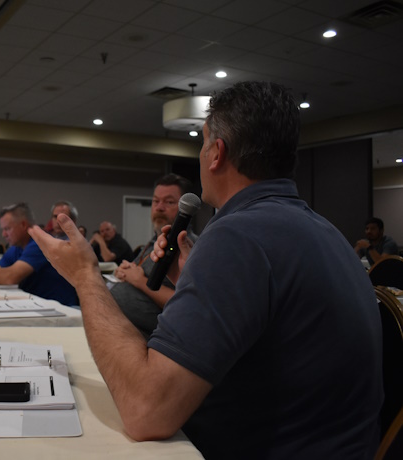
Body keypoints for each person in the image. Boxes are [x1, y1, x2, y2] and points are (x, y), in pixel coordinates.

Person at [28, 81, 382, 459]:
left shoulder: (238, 236)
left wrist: (85, 276)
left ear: (216, 153)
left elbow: (145, 411)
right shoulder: (324, 231)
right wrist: (192, 281)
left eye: (202, 143)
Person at [110, 173, 195, 338]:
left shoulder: (189, 248)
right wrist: (124, 273)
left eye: (169, 202)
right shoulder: (153, 243)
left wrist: (139, 281)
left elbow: (191, 304)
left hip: (146, 341)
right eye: (156, 201)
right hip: (119, 329)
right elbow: (134, 273)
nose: (159, 207)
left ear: (185, 207)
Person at [0, 203, 77, 306]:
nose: (4, 234)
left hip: (64, 309)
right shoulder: (18, 246)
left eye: (7, 229)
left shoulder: (40, 243)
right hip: (41, 305)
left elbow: (10, 277)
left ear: (23, 225)